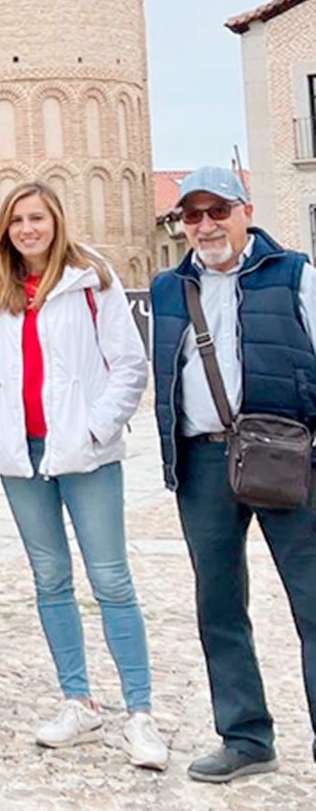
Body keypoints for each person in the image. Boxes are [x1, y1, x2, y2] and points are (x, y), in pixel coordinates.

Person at [0, 181, 166, 769]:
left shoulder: (90, 279)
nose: (28, 229)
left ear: (56, 221)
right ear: (5, 228)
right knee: (50, 580)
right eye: (17, 220)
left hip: (84, 452)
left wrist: (96, 429)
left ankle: (141, 713)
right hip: (22, 454)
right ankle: (78, 701)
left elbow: (129, 365)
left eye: (37, 218)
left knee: (111, 580)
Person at [151, 167, 315, 783]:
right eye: (192, 215)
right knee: (218, 604)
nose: (205, 225)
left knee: (313, 603)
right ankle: (245, 736)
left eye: (216, 210)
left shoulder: (295, 275)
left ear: (244, 209)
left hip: (288, 455)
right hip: (202, 462)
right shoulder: (169, 288)